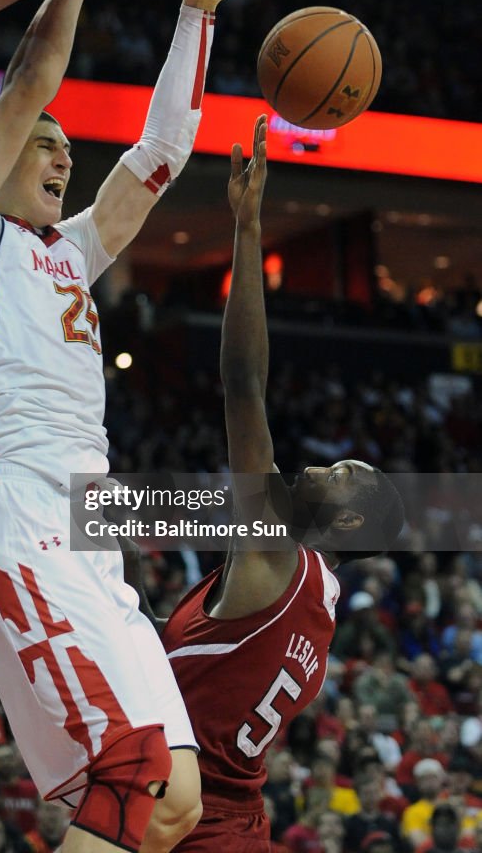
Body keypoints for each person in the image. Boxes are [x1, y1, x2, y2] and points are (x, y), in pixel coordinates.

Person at [0, 0, 242, 853]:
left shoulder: (70, 253)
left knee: (171, 803)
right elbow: (28, 80)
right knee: (132, 785)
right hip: (16, 511)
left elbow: (162, 152)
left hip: (87, 530)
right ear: (3, 150)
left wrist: (197, 10)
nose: (62, 156)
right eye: (45, 144)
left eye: (66, 148)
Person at [124, 116, 405, 852]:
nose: (316, 465)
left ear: (345, 524)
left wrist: (246, 227)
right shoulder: (314, 607)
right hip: (228, 816)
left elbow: (242, 383)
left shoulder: (278, 549)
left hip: (190, 818)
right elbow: (186, 664)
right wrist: (124, 582)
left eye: (339, 475)